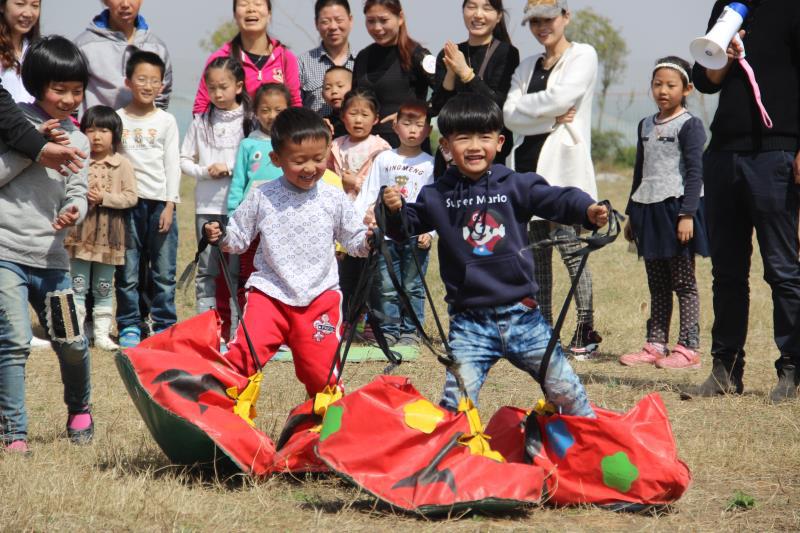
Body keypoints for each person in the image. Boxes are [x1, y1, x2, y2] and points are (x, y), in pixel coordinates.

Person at [382, 94, 607, 415]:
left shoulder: (514, 185)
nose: (475, 146)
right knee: (456, 406)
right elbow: (405, 225)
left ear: (500, 142)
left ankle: (590, 446)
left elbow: (555, 198)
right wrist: (394, 210)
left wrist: (587, 208)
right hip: (469, 324)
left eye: (484, 137)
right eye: (464, 138)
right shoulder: (436, 195)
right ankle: (451, 458)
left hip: (524, 317)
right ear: (446, 145)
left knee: (567, 392)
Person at [203, 107, 370, 398]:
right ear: (276, 159)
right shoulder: (262, 194)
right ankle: (222, 413)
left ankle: (324, 427)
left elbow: (355, 240)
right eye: (299, 160)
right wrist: (220, 235)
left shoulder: (333, 195)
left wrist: (371, 238)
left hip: (320, 298)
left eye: (318, 159)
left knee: (320, 374)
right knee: (243, 356)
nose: (310, 168)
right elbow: (238, 239)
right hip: (270, 294)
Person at [684, 0, 800, 403]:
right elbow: (706, 79)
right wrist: (725, 55)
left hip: (776, 152)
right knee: (727, 271)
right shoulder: (727, 5)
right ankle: (725, 370)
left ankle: (791, 369)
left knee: (782, 270)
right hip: (723, 154)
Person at [0, 35, 92, 454]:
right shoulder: (14, 122)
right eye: (60, 90)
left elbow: (79, 189)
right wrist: (33, 147)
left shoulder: (81, 139)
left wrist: (76, 211)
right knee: (14, 341)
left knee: (72, 341)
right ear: (36, 85)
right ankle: (14, 432)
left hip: (54, 258)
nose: (70, 99)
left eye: (77, 91)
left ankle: (80, 408)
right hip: (6, 253)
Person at [503, 0, 601, 360]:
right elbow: (508, 115)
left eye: (548, 19)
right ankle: (543, 330)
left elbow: (563, 96)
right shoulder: (527, 66)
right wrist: (549, 118)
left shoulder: (583, 55)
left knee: (572, 252)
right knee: (536, 256)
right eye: (534, 22)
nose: (542, 27)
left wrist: (535, 111)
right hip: (527, 169)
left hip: (564, 168)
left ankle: (585, 328)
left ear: (565, 17)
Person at [619, 57, 709, 370]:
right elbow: (639, 171)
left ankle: (688, 348)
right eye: (657, 84)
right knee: (657, 284)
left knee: (684, 283)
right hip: (648, 210)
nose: (663, 90)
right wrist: (632, 213)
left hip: (678, 209)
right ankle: (656, 344)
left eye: (671, 85)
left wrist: (687, 214)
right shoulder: (645, 124)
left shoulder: (690, 125)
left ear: (687, 88)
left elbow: (696, 172)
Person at [115, 50, 180, 348]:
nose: (148, 85)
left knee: (163, 271)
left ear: (162, 85)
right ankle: (130, 323)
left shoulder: (166, 121)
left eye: (155, 80)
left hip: (160, 204)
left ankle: (165, 325)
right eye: (142, 78)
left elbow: (172, 165)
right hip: (127, 204)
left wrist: (170, 205)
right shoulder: (117, 119)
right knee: (128, 271)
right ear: (128, 81)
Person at [181, 57, 248, 323]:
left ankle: (235, 330)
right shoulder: (200, 122)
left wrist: (230, 169)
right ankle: (206, 330)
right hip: (207, 206)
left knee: (234, 272)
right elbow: (184, 159)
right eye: (212, 88)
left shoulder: (249, 121)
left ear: (239, 86)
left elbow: (252, 159)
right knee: (207, 270)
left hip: (238, 208)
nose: (218, 94)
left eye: (224, 86)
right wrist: (204, 171)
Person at [64, 106, 137, 351]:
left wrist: (104, 197)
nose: (96, 136)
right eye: (91, 130)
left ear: (114, 134)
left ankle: (102, 334)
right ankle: (77, 331)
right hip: (80, 234)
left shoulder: (122, 164)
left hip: (110, 236)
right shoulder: (77, 160)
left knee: (104, 287)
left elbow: (131, 197)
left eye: (103, 130)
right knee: (78, 284)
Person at [362, 100, 434, 346]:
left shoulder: (430, 163)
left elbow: (434, 202)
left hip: (417, 235)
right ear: (395, 126)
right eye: (407, 124)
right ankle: (389, 330)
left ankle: (411, 331)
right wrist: (369, 221)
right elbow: (371, 192)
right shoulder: (384, 158)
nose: (413, 131)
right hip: (386, 234)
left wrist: (431, 232)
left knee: (413, 285)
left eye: (419, 126)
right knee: (386, 284)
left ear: (429, 131)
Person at [226, 82, 289, 330]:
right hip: (251, 224)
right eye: (265, 110)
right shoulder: (248, 145)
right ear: (255, 112)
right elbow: (238, 184)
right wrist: (233, 217)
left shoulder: (290, 143)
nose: (271, 116)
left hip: (282, 222)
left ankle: (279, 329)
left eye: (278, 110)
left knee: (280, 275)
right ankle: (244, 327)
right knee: (248, 275)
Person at [431, 0, 519, 170]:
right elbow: (438, 108)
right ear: (463, 11)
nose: (478, 14)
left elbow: (499, 105)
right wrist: (451, 72)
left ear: (498, 16)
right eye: (471, 7)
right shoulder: (450, 53)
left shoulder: (507, 53)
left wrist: (465, 72)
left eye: (487, 8)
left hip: (491, 156)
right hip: (453, 156)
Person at [328, 87, 390, 315]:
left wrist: (356, 183)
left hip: (367, 218)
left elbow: (384, 184)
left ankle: (372, 320)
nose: (358, 120)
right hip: (339, 217)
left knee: (371, 271)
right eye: (353, 113)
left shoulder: (381, 148)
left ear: (376, 119)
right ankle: (346, 319)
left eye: (365, 115)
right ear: (343, 116)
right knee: (344, 273)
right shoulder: (335, 146)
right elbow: (324, 177)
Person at [193, 0, 301, 114]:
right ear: (235, 15)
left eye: (258, 3)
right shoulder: (220, 58)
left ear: (269, 14)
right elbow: (201, 107)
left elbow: (295, 105)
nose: (251, 9)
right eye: (244, 4)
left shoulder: (286, 58)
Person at [353, 0, 435, 149]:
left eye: (384, 20)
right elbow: (353, 100)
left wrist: (411, 115)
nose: (377, 28)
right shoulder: (362, 57)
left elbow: (445, 93)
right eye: (371, 21)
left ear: (400, 18)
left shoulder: (417, 55)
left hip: (408, 147)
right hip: (367, 147)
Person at [74, 0, 173, 112]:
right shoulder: (84, 46)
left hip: (142, 129)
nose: (125, 4)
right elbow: (70, 97)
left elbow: (162, 100)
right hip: (94, 128)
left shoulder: (157, 47)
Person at [298, 0, 355, 117]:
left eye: (339, 20)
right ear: (316, 23)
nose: (333, 27)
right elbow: (294, 108)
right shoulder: (301, 64)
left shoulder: (362, 62)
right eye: (325, 21)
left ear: (350, 20)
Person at [0, 0, 39, 103]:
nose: (28, 13)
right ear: (2, 6)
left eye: (35, 5)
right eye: (20, 4)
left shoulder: (36, 50)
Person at [322, 65, 352, 139]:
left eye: (340, 86)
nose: (334, 91)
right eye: (327, 88)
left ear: (354, 87)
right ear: (322, 94)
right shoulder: (324, 123)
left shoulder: (363, 119)